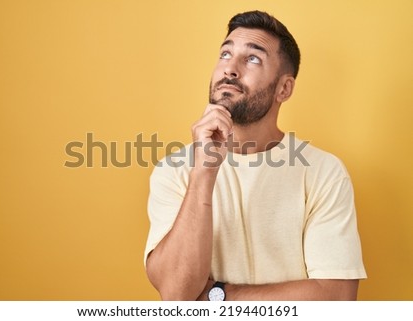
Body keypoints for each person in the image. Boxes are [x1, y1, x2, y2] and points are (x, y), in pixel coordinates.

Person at [144, 10, 366, 301]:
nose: (230, 69)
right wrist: (204, 173)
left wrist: (221, 295)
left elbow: (336, 297)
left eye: (252, 58)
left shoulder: (323, 172)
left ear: (284, 88)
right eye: (225, 54)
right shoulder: (174, 171)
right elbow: (176, 295)